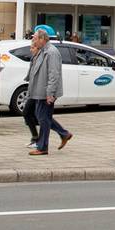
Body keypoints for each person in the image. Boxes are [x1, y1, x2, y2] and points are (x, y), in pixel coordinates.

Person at [27, 27, 72, 155]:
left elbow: (54, 74)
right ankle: (64, 134)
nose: (33, 41)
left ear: (42, 39)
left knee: (43, 118)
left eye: (35, 38)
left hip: (46, 92)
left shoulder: (51, 52)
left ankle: (42, 147)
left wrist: (50, 93)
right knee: (43, 117)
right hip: (40, 91)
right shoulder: (43, 51)